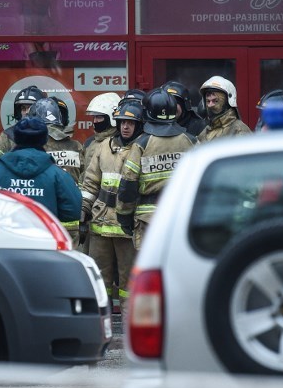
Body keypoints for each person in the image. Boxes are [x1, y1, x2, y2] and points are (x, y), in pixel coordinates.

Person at [80, 101, 144, 316]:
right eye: (122, 122)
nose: (125, 126)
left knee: (129, 280)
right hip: (100, 222)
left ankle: (130, 321)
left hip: (127, 226)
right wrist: (83, 210)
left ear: (139, 124)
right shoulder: (104, 147)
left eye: (130, 123)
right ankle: (100, 320)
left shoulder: (143, 147)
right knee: (99, 278)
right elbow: (90, 183)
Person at [117, 87, 197, 253]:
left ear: (147, 114)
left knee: (151, 265)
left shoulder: (142, 144)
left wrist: (124, 217)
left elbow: (128, 185)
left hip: (148, 221)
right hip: (182, 216)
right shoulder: (191, 141)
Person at [0, 117, 81, 225]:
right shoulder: (57, 175)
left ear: (16, 138)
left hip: (4, 234)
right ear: (44, 140)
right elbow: (73, 211)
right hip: (42, 234)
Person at [29, 97, 84, 243]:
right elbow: (85, 182)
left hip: (42, 221)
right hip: (71, 223)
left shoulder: (34, 146)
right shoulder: (76, 146)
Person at [0, 85, 44, 166]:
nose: (26, 112)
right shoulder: (8, 135)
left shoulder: (49, 134)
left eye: (31, 108)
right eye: (23, 108)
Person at [197, 76, 252, 143]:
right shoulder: (205, 132)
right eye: (208, 101)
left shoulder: (239, 131)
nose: (210, 105)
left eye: (215, 101)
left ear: (228, 101)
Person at [82, 92, 121, 181]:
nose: (95, 121)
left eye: (99, 117)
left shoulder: (120, 142)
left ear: (111, 118)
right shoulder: (89, 143)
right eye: (94, 117)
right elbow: (83, 174)